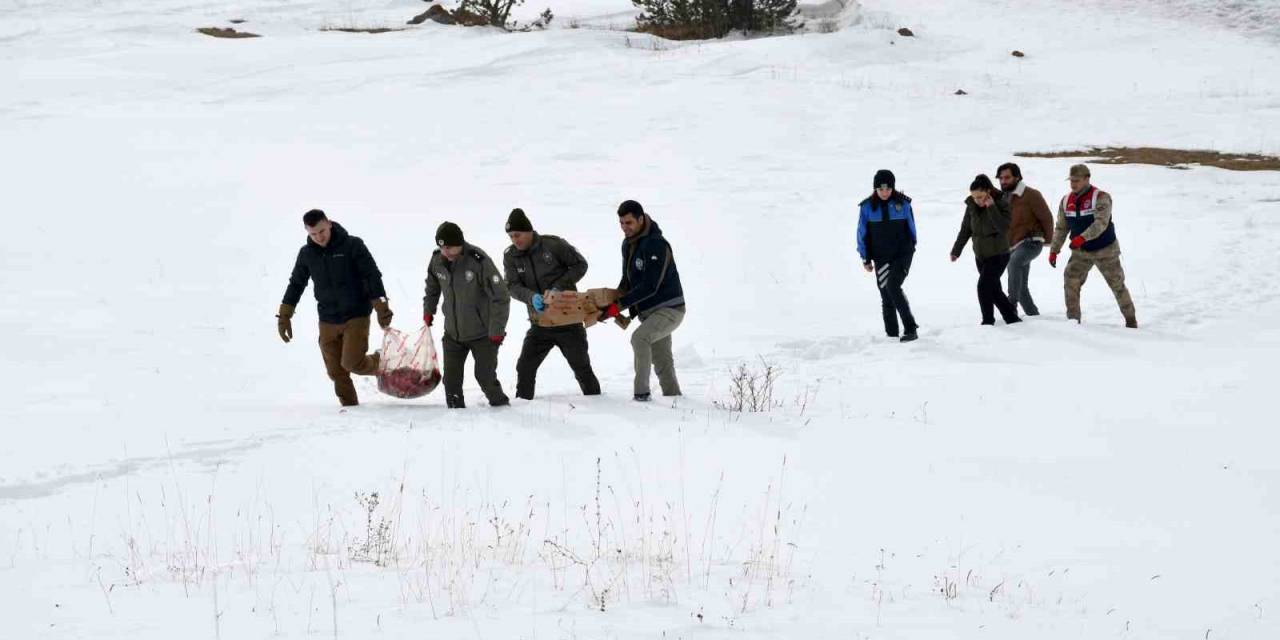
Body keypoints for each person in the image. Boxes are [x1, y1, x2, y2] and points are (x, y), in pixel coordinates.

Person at [277, 209, 393, 407]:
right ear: (307, 232)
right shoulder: (307, 254)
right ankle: (349, 410)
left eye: (321, 231)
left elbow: (371, 275)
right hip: (327, 318)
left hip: (355, 314)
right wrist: (285, 315)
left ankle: (381, 362)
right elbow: (296, 283)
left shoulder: (352, 245)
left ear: (329, 223)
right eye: (313, 234)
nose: (318, 237)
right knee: (336, 371)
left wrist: (381, 307)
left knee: (351, 363)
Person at [502, 208, 601, 400]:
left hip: (568, 322)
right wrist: (531, 297)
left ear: (529, 231)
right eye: (511, 236)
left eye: (518, 234)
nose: (515, 240)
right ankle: (524, 407)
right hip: (540, 324)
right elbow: (512, 285)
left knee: (581, 367)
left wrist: (559, 287)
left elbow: (581, 264)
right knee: (525, 367)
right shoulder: (511, 256)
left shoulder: (553, 245)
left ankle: (597, 404)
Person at [597, 200, 685, 402]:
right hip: (650, 313)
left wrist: (618, 306)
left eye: (628, 223)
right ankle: (675, 399)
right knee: (661, 358)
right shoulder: (628, 244)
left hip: (670, 309)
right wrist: (608, 305)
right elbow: (627, 282)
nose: (624, 228)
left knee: (639, 339)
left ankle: (641, 394)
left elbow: (650, 285)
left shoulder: (656, 244)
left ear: (641, 218)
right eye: (621, 223)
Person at [422, 222, 511, 408]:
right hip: (453, 334)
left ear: (460, 243)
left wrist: (496, 330)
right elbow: (432, 287)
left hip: (483, 334)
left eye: (449, 247)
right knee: (451, 382)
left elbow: (500, 296)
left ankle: (502, 408)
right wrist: (429, 310)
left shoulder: (478, 261)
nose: (445, 252)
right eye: (442, 247)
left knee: (485, 377)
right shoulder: (437, 260)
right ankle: (456, 418)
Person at [1049, 164, 1138, 328]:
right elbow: (1061, 227)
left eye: (1077, 180)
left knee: (1117, 285)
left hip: (1106, 251)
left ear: (1087, 179)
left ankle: (1131, 321)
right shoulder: (1066, 200)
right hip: (1081, 252)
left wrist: (1082, 238)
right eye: (1071, 180)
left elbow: (1101, 223)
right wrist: (1054, 250)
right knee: (1071, 280)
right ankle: (1073, 322)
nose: (1073, 184)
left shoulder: (1101, 197)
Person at [856, 169, 919, 342]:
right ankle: (891, 335)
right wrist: (865, 257)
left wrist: (911, 247)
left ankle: (911, 328)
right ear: (875, 189)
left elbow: (912, 230)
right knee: (886, 293)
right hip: (881, 257)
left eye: (888, 189)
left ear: (893, 188)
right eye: (881, 189)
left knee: (893, 286)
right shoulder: (867, 207)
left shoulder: (903, 204)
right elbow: (862, 233)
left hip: (902, 254)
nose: (885, 192)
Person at [951, 175, 1022, 325]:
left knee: (983, 287)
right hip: (981, 256)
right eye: (974, 197)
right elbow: (965, 229)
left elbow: (1003, 227)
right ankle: (1012, 318)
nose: (977, 200)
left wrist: (991, 207)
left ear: (988, 192)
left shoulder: (1001, 203)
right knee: (994, 290)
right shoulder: (971, 206)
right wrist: (956, 250)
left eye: (981, 197)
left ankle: (987, 322)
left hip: (999, 255)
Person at [997, 162, 1055, 316]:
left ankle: (1011, 306)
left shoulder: (1031, 194)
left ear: (1017, 177)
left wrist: (1050, 242)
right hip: (1014, 245)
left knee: (1014, 263)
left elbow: (1047, 218)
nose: (1003, 181)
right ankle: (1034, 316)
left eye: (1007, 177)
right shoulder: (1003, 198)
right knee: (1021, 287)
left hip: (1032, 242)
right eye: (1001, 178)